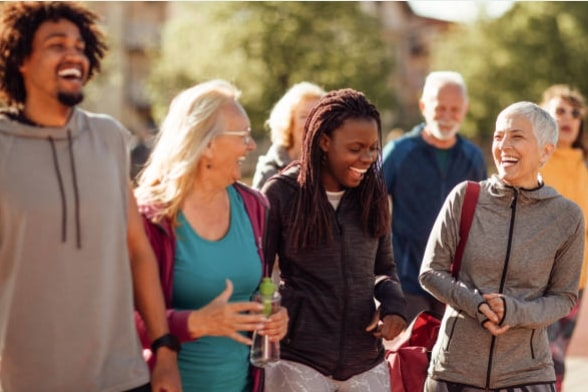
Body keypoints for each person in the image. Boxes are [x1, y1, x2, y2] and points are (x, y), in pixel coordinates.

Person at [0, 2, 181, 391]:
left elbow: (137, 250)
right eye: (56, 44)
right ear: (21, 61)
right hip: (24, 379)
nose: (73, 53)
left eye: (80, 46)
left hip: (119, 375)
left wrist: (164, 349)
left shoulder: (110, 137)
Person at [133, 79, 289, 392]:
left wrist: (275, 315)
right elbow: (119, 319)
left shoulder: (254, 206)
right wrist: (193, 323)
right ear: (206, 144)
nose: (251, 146)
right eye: (242, 136)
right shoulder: (149, 215)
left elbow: (259, 291)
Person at [420, 101, 584, 392]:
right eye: (498, 136)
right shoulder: (464, 197)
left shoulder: (567, 217)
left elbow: (564, 297)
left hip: (527, 374)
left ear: (546, 151)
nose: (503, 145)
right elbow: (431, 272)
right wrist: (478, 305)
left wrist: (514, 311)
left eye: (517, 136)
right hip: (455, 371)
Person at [262, 88, 407, 391]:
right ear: (324, 142)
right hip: (299, 358)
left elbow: (384, 267)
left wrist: (393, 306)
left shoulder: (373, 193)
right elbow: (258, 272)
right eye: (355, 148)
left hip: (364, 361)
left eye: (372, 149)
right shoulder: (281, 193)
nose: (367, 159)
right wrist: (271, 315)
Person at [382, 70, 487, 322]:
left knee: (447, 360)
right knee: (408, 356)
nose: (447, 116)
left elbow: (485, 215)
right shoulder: (399, 152)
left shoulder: (473, 157)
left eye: (455, 109)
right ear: (423, 106)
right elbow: (369, 203)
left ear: (465, 108)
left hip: (456, 283)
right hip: (408, 279)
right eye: (440, 108)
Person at [540, 84, 588, 391]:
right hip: (537, 279)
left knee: (556, 353)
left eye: (575, 112)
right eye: (559, 111)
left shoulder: (585, 167)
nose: (568, 118)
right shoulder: (535, 163)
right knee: (542, 353)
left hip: (576, 281)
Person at [252, 81, 325, 190]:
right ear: (290, 121)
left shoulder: (332, 165)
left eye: (317, 116)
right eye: (303, 116)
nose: (311, 122)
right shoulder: (269, 169)